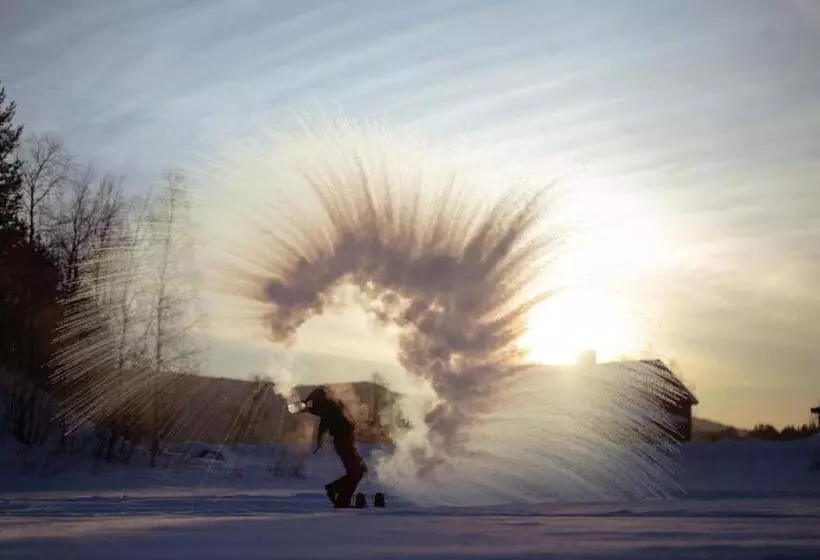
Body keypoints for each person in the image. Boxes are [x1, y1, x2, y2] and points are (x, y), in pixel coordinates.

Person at [298, 385, 367, 508]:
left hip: (345, 441)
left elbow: (322, 420)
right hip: (344, 442)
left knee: (358, 470)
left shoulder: (329, 406)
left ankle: (337, 491)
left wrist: (306, 403)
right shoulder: (329, 406)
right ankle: (340, 497)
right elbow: (324, 423)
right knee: (356, 472)